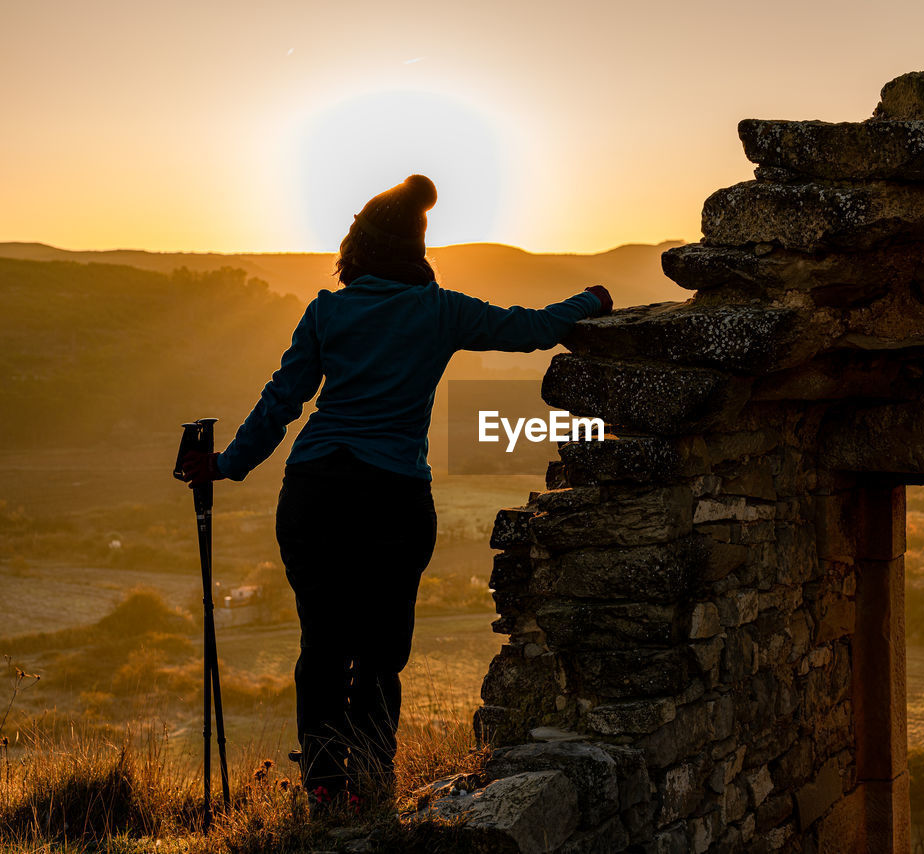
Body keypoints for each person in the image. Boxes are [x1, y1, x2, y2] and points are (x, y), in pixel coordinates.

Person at [178, 174, 611, 813]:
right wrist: (591, 299)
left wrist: (226, 465)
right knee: (381, 651)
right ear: (417, 247)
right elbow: (531, 329)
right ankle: (370, 785)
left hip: (315, 491)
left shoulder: (327, 311)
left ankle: (323, 787)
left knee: (322, 643)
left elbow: (282, 403)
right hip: (392, 498)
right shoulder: (439, 312)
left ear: (357, 245)